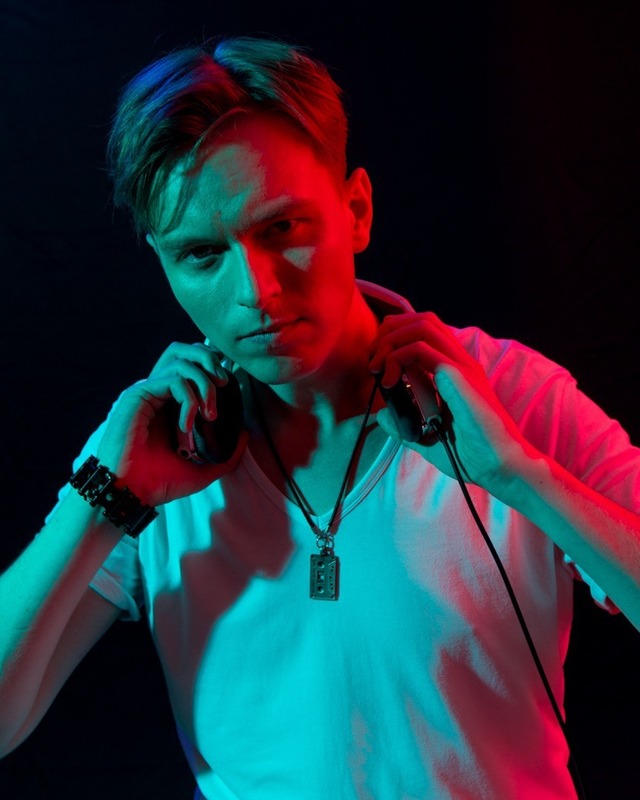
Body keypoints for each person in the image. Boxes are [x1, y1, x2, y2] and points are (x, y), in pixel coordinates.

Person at [0, 34, 639, 800]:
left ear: (356, 211)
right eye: (202, 254)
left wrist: (516, 475)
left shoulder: (513, 393)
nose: (257, 292)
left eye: (282, 229)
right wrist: (103, 499)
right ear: (164, 262)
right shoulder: (144, 454)